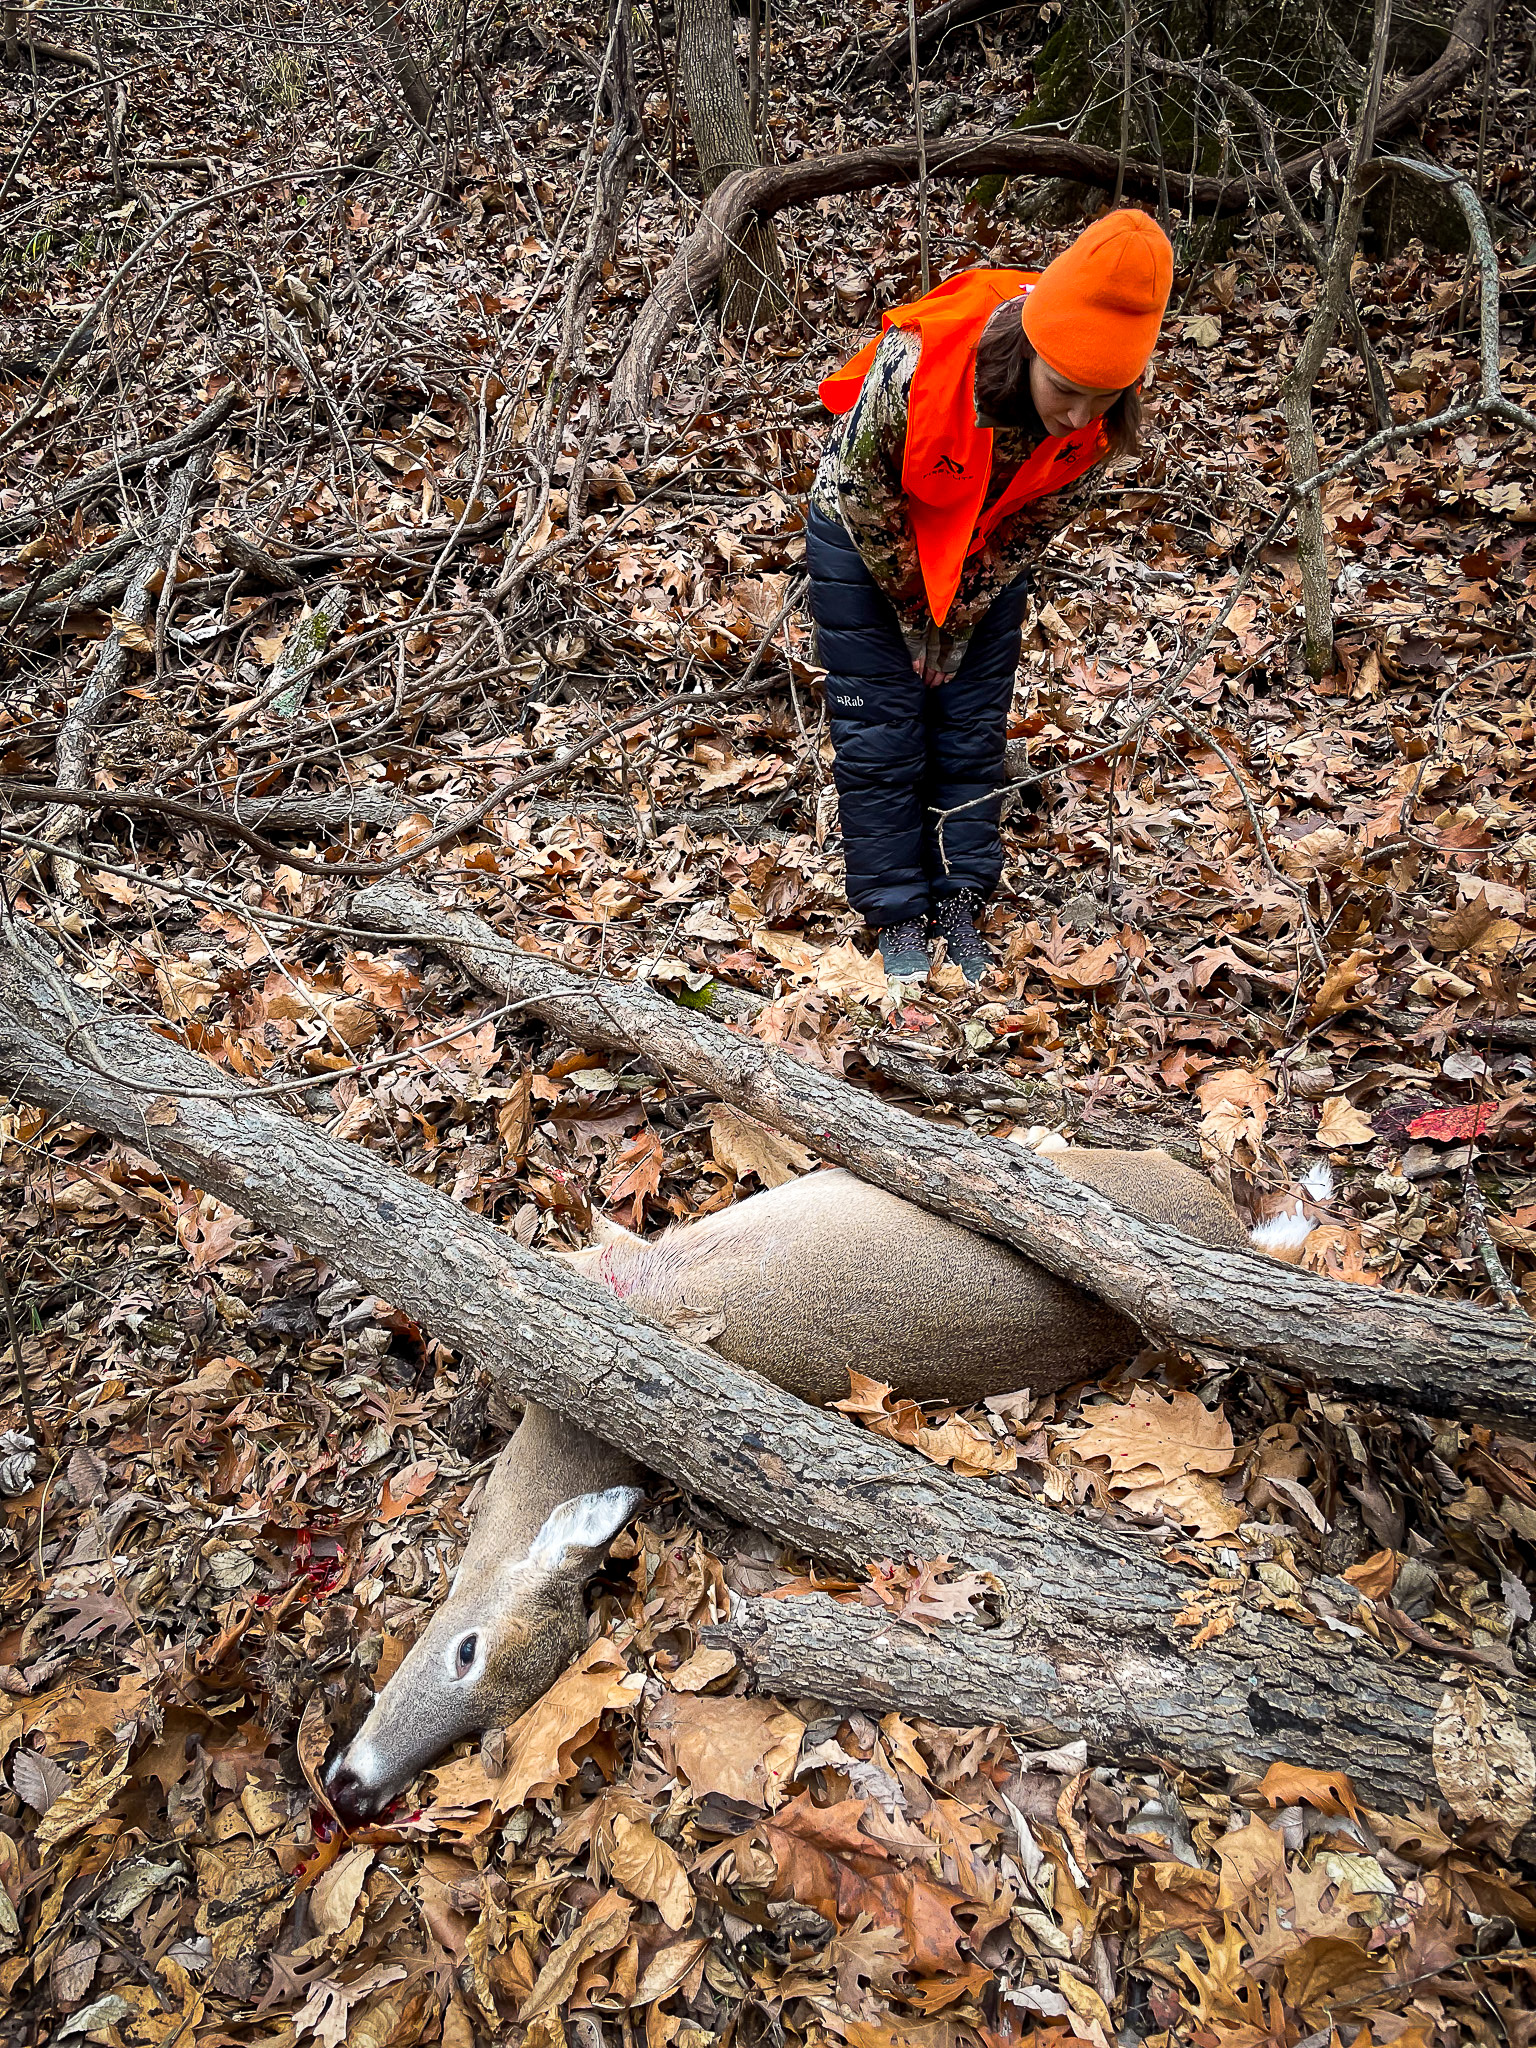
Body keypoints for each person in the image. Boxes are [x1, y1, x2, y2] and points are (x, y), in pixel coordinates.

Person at [807, 208, 1174, 984]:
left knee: (970, 728)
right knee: (883, 731)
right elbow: (861, 492)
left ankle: (960, 899)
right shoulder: (922, 361)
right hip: (868, 536)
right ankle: (895, 906)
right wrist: (918, 626)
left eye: (1104, 397)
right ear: (1032, 351)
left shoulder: (1099, 423)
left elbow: (1033, 527)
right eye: (1067, 389)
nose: (1078, 416)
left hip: (983, 550)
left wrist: (961, 625)